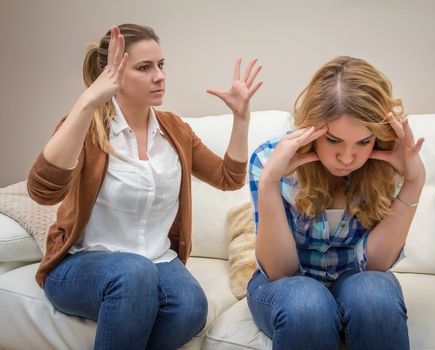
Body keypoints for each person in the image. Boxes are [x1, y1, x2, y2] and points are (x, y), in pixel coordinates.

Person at [27, 23, 262, 349]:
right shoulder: (87, 128)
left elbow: (228, 178)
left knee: (191, 306)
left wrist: (241, 119)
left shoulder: (174, 130)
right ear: (114, 75)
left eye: (161, 65)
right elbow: (42, 192)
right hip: (82, 265)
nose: (160, 76)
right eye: (144, 67)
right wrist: (86, 103)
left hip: (157, 261)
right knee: (133, 273)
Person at [247, 56, 425, 350]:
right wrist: (269, 183)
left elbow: (375, 265)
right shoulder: (269, 159)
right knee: (308, 303)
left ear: (377, 139)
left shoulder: (391, 162)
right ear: (312, 130)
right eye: (333, 141)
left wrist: (414, 182)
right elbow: (279, 271)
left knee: (375, 294)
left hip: (355, 279)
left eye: (363, 143)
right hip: (286, 288)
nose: (347, 158)